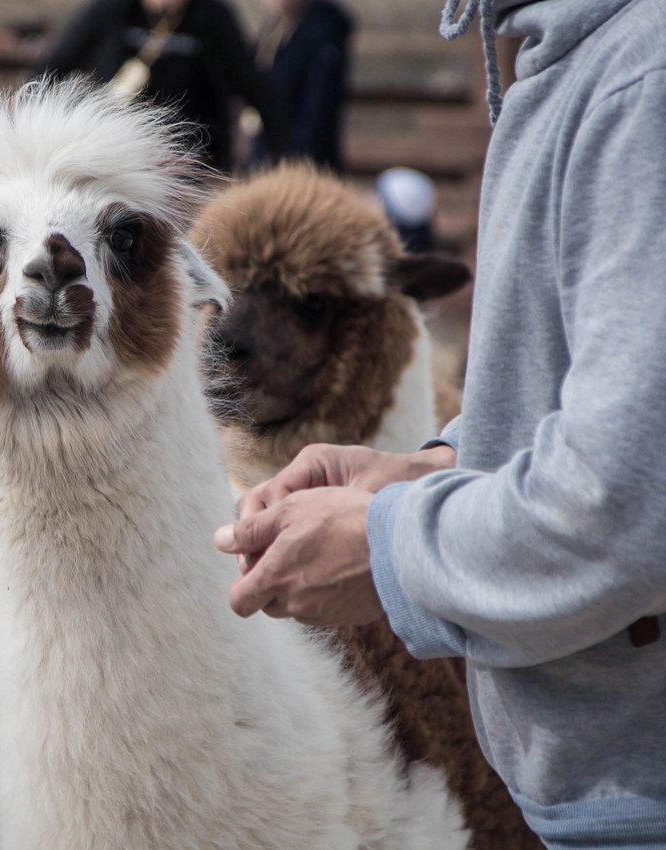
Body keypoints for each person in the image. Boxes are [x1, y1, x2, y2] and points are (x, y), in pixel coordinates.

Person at [213, 0, 666, 847]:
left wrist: (387, 549)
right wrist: (433, 469)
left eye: (308, 310)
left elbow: (632, 499)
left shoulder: (642, 79)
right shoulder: (571, 59)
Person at [33, 0, 290, 172]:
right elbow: (50, 70)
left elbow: (255, 88)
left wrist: (283, 157)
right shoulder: (112, 10)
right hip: (117, 158)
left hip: (191, 160)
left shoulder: (211, 15)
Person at [247, 0, 353, 171]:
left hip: (304, 160)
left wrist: (297, 161)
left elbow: (318, 109)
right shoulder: (275, 25)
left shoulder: (323, 29)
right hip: (268, 150)